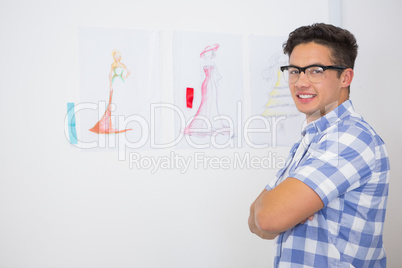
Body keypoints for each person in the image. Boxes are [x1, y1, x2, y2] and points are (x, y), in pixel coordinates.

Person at [248, 23, 390, 267]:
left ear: (345, 77)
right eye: (294, 70)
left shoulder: (350, 137)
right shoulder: (311, 139)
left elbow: (268, 217)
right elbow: (256, 222)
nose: (300, 82)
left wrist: (282, 208)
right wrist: (282, 209)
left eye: (315, 71)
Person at [90, 49, 131, 134]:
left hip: (121, 83)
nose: (116, 57)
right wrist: (110, 84)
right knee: (114, 101)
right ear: (114, 57)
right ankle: (113, 124)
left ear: (120, 57)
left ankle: (122, 121)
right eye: (115, 56)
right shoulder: (113, 65)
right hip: (115, 82)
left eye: (117, 56)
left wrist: (124, 77)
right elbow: (110, 75)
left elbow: (128, 72)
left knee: (121, 100)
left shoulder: (122, 65)